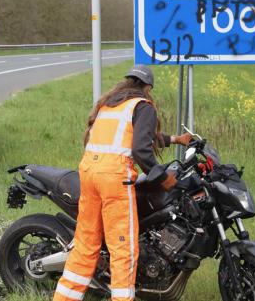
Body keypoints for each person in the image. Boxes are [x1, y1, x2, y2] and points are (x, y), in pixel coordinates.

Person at [52, 65, 191, 301]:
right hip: (114, 179)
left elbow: (137, 136)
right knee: (123, 249)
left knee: (86, 246)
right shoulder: (143, 106)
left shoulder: (111, 104)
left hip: (89, 173)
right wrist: (162, 177)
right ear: (147, 87)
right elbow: (140, 148)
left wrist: (175, 139)